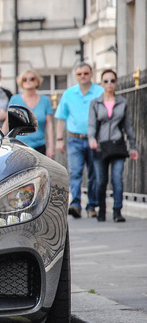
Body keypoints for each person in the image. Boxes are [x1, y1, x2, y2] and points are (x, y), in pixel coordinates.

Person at [87, 69, 139, 222]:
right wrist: (92, 138)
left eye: (112, 81)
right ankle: (102, 210)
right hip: (100, 146)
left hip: (117, 145)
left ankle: (117, 211)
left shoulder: (122, 102)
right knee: (101, 180)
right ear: (101, 84)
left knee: (117, 178)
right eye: (106, 81)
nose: (109, 84)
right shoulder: (95, 103)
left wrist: (133, 146)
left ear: (116, 83)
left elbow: (128, 126)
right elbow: (91, 124)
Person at [55, 63, 103, 219]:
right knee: (75, 173)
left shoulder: (99, 91)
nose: (83, 76)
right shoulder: (69, 94)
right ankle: (75, 204)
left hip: (94, 139)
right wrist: (59, 139)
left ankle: (91, 206)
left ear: (91, 74)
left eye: (86, 73)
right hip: (74, 139)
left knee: (94, 174)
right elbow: (61, 118)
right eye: (79, 74)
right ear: (76, 76)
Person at [2, 69, 55, 158]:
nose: (28, 81)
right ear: (21, 82)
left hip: (39, 146)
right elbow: (7, 123)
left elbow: (49, 124)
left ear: (37, 81)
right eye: (24, 79)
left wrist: (51, 147)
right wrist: (1, 143)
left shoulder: (45, 100)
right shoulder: (15, 99)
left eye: (32, 79)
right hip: (19, 147)